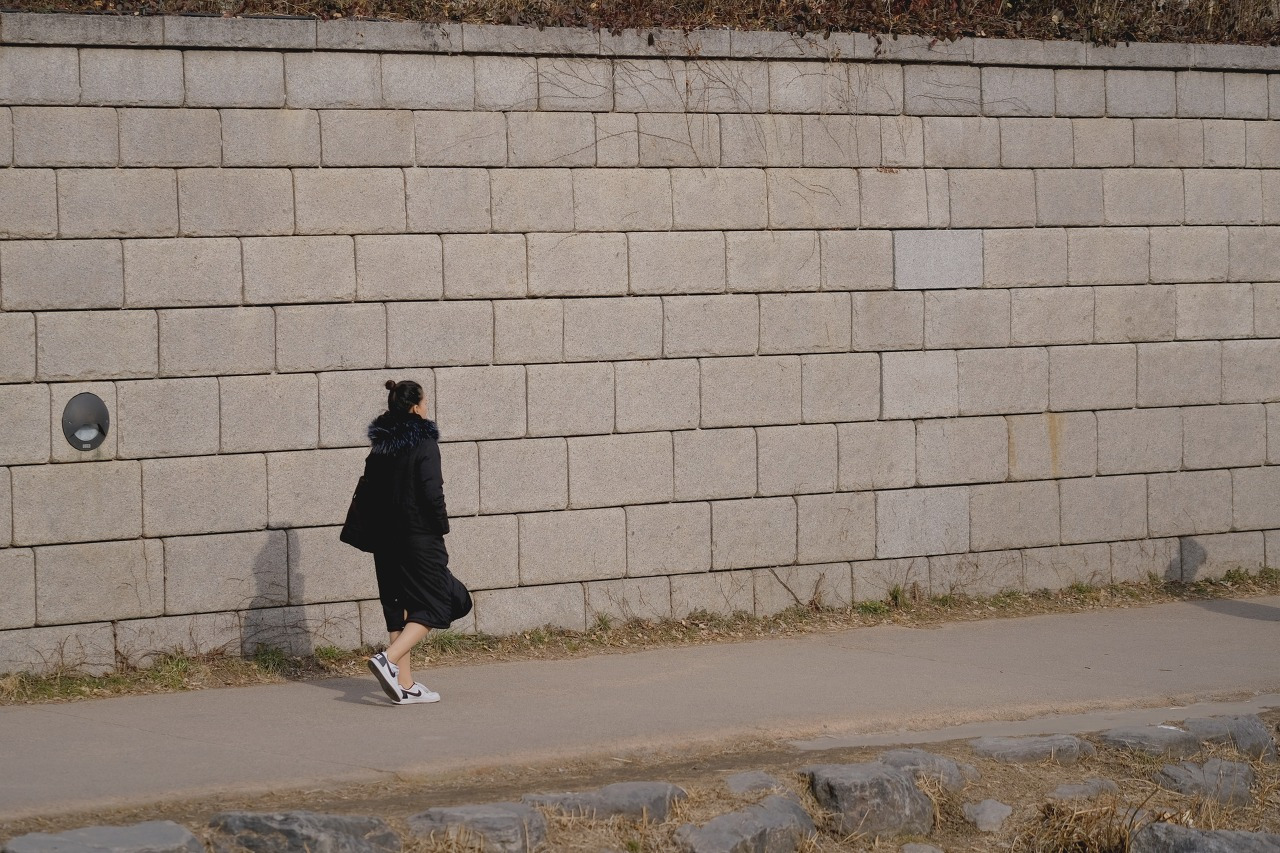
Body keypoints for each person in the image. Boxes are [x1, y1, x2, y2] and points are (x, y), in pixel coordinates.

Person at [361, 379, 471, 705]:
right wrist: (440, 528)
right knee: (443, 601)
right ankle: (388, 659)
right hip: (418, 538)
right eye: (425, 402)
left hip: (384, 539)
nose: (427, 407)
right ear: (414, 407)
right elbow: (432, 493)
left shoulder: (380, 447)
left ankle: (404, 684)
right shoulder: (424, 444)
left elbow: (369, 493)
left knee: (399, 607)